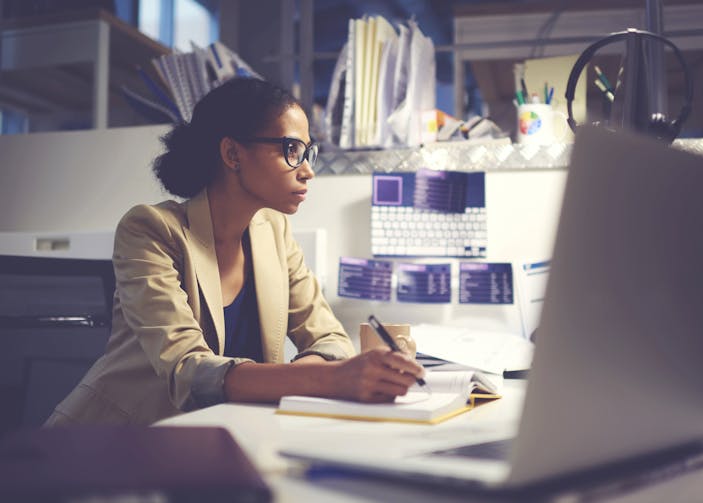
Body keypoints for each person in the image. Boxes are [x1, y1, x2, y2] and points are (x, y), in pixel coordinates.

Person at [46, 77, 424, 426]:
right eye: (291, 149)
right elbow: (188, 371)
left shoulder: (274, 231)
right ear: (232, 154)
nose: (307, 170)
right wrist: (327, 377)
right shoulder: (150, 230)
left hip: (218, 439)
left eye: (309, 151)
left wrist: (318, 375)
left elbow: (330, 338)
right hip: (112, 444)